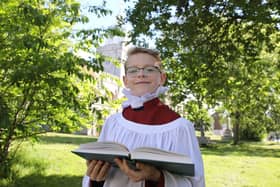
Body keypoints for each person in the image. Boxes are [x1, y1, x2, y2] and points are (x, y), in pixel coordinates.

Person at [82, 47, 205, 187]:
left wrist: (156, 176)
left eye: (149, 69)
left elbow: (195, 182)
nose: (141, 74)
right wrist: (95, 178)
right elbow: (93, 178)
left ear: (162, 78)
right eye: (133, 70)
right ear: (125, 80)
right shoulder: (113, 122)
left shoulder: (180, 127)